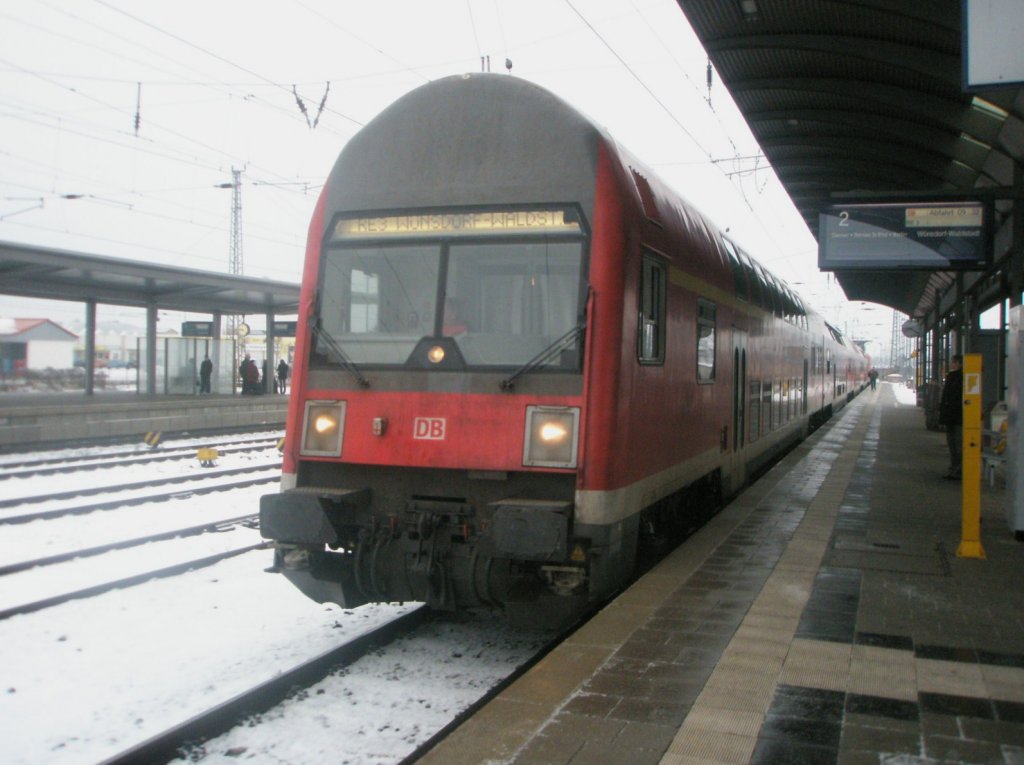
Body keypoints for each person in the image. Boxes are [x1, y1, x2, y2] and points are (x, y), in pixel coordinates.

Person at [938, 354, 963, 479]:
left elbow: (947, 398)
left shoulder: (954, 377)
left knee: (955, 444)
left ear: (958, 363)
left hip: (953, 417)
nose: (951, 364)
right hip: (956, 417)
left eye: (953, 362)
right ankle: (956, 469)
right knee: (955, 444)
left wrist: (942, 415)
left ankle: (956, 469)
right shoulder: (957, 377)